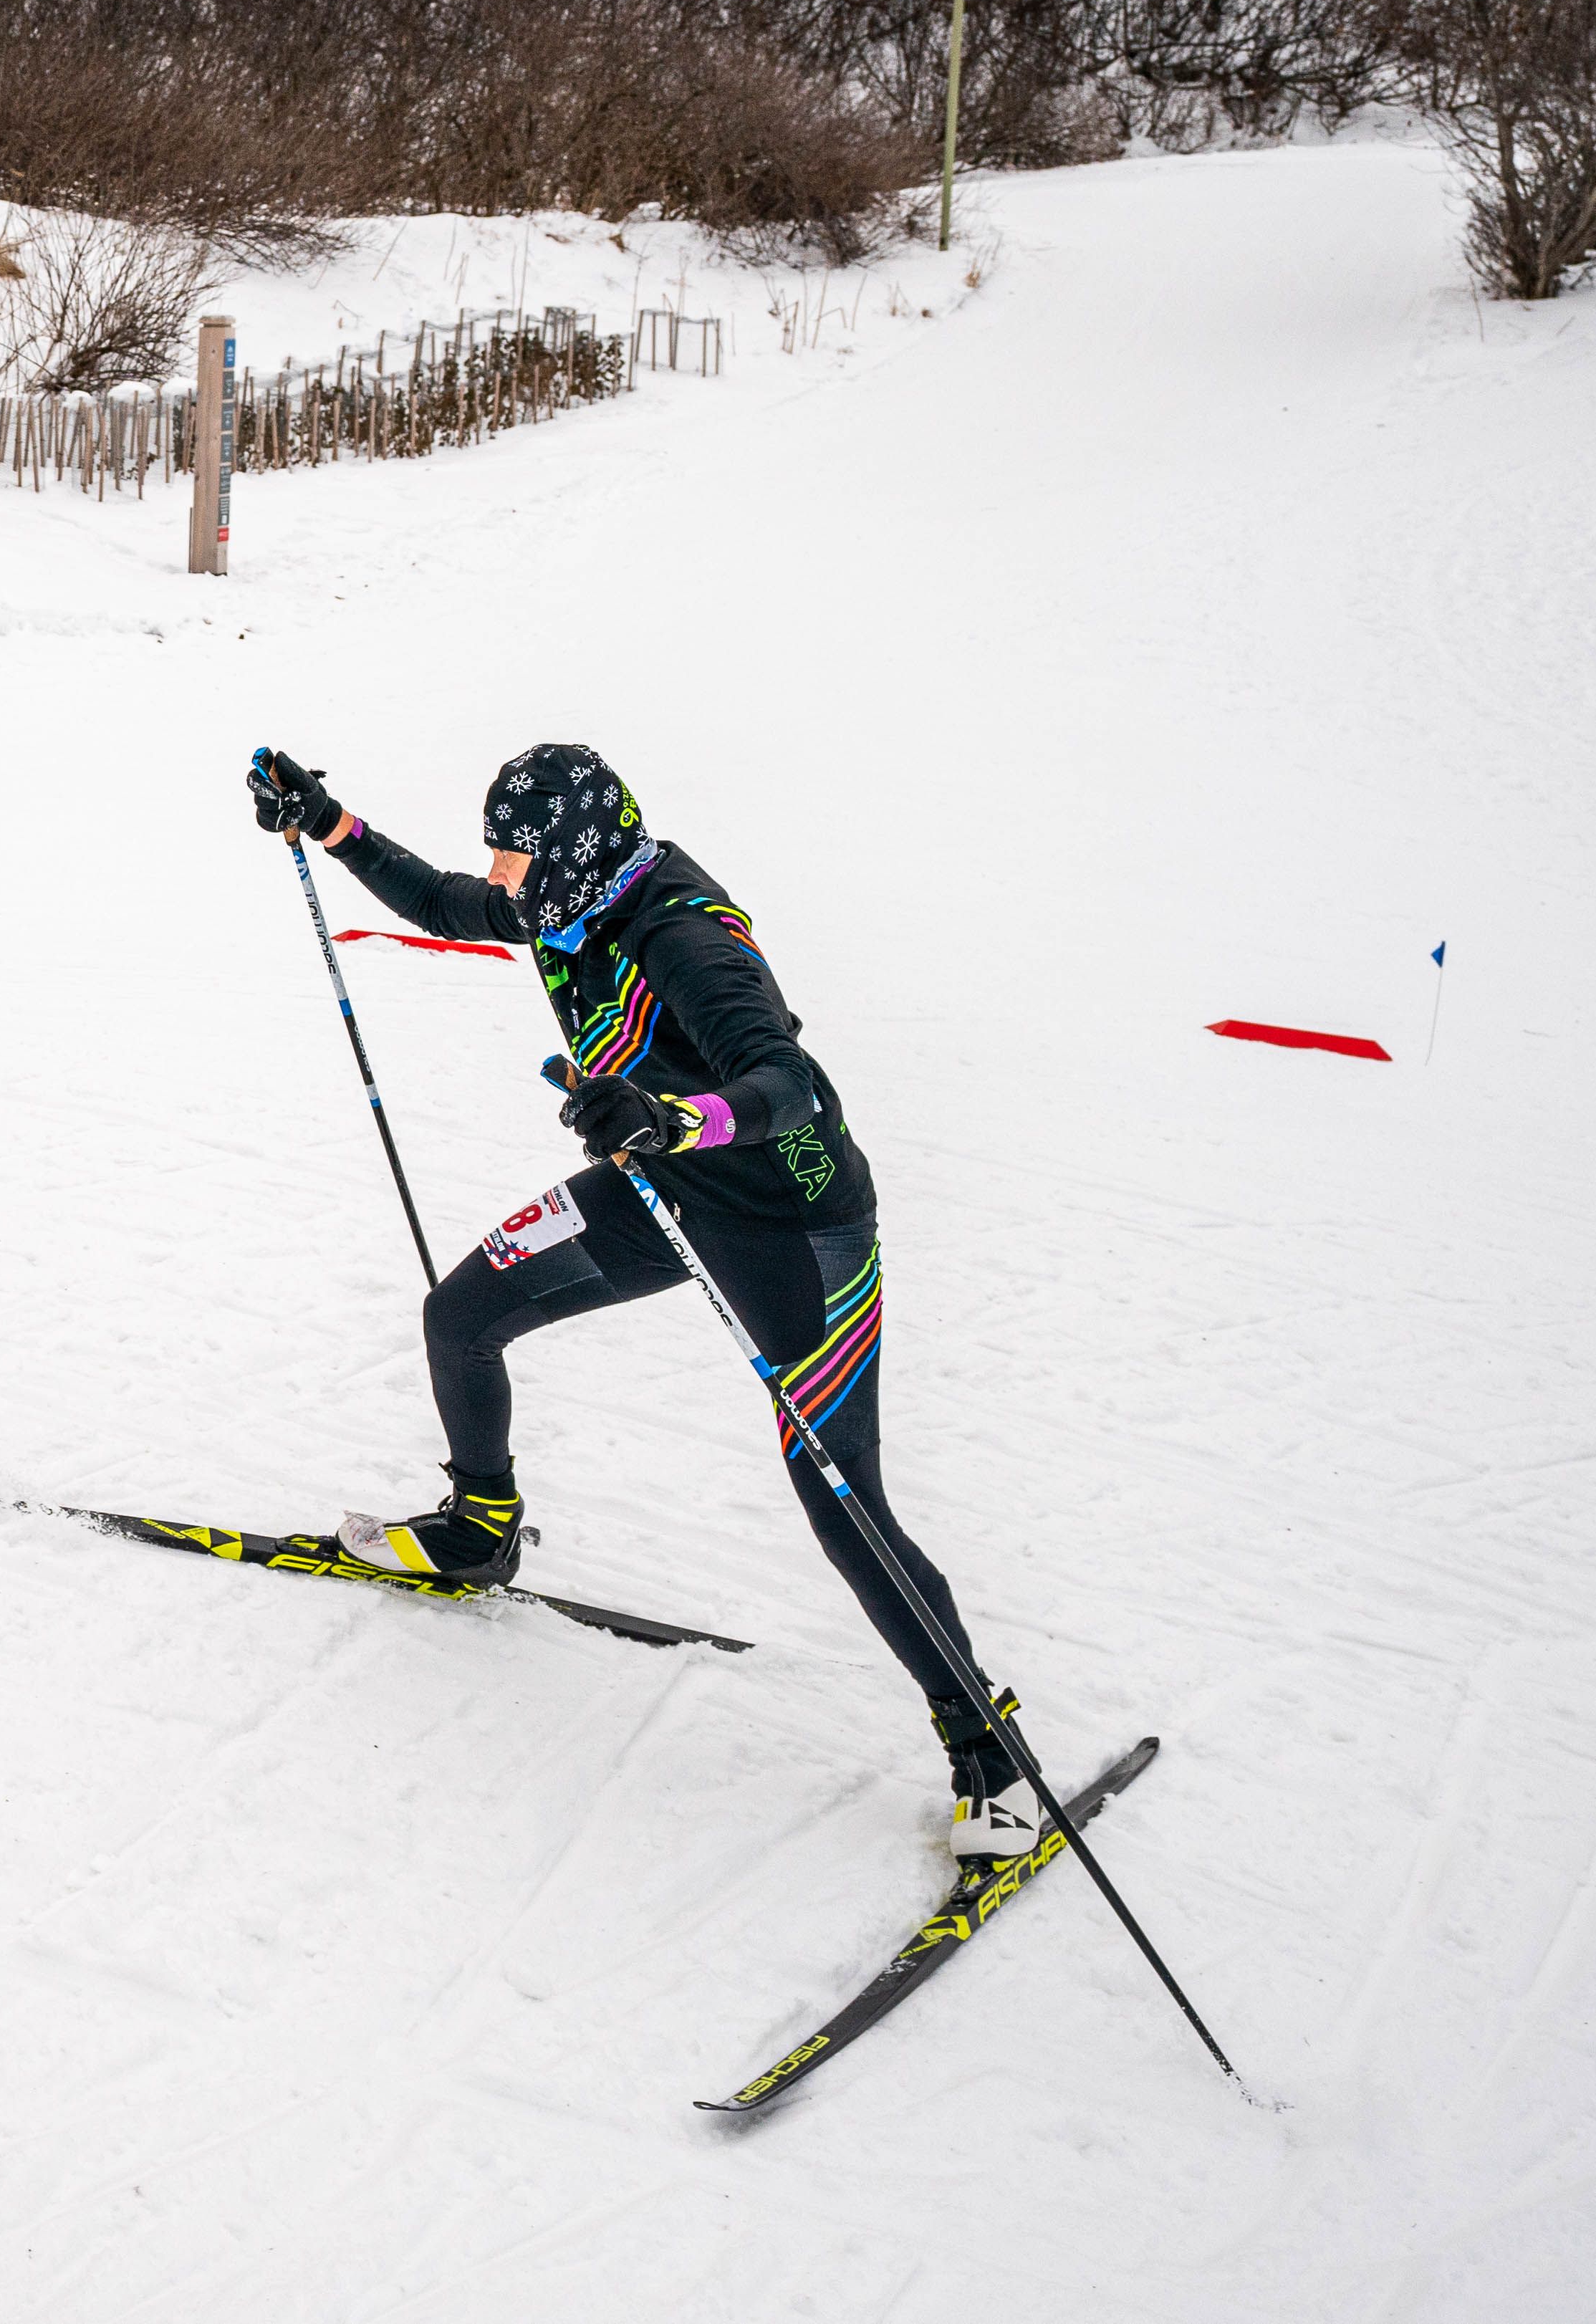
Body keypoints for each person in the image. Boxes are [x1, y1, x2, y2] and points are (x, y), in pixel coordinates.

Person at [246, 741, 1044, 1862]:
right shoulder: (571, 898)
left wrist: (672, 1120)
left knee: (836, 1495)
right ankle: (479, 1530)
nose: (500, 877)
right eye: (500, 855)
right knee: (460, 1317)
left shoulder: (678, 936)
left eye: (513, 857)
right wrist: (327, 825)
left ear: (571, 852)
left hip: (789, 1228)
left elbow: (786, 1083)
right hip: (659, 1190)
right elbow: (442, 901)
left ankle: (986, 1746)